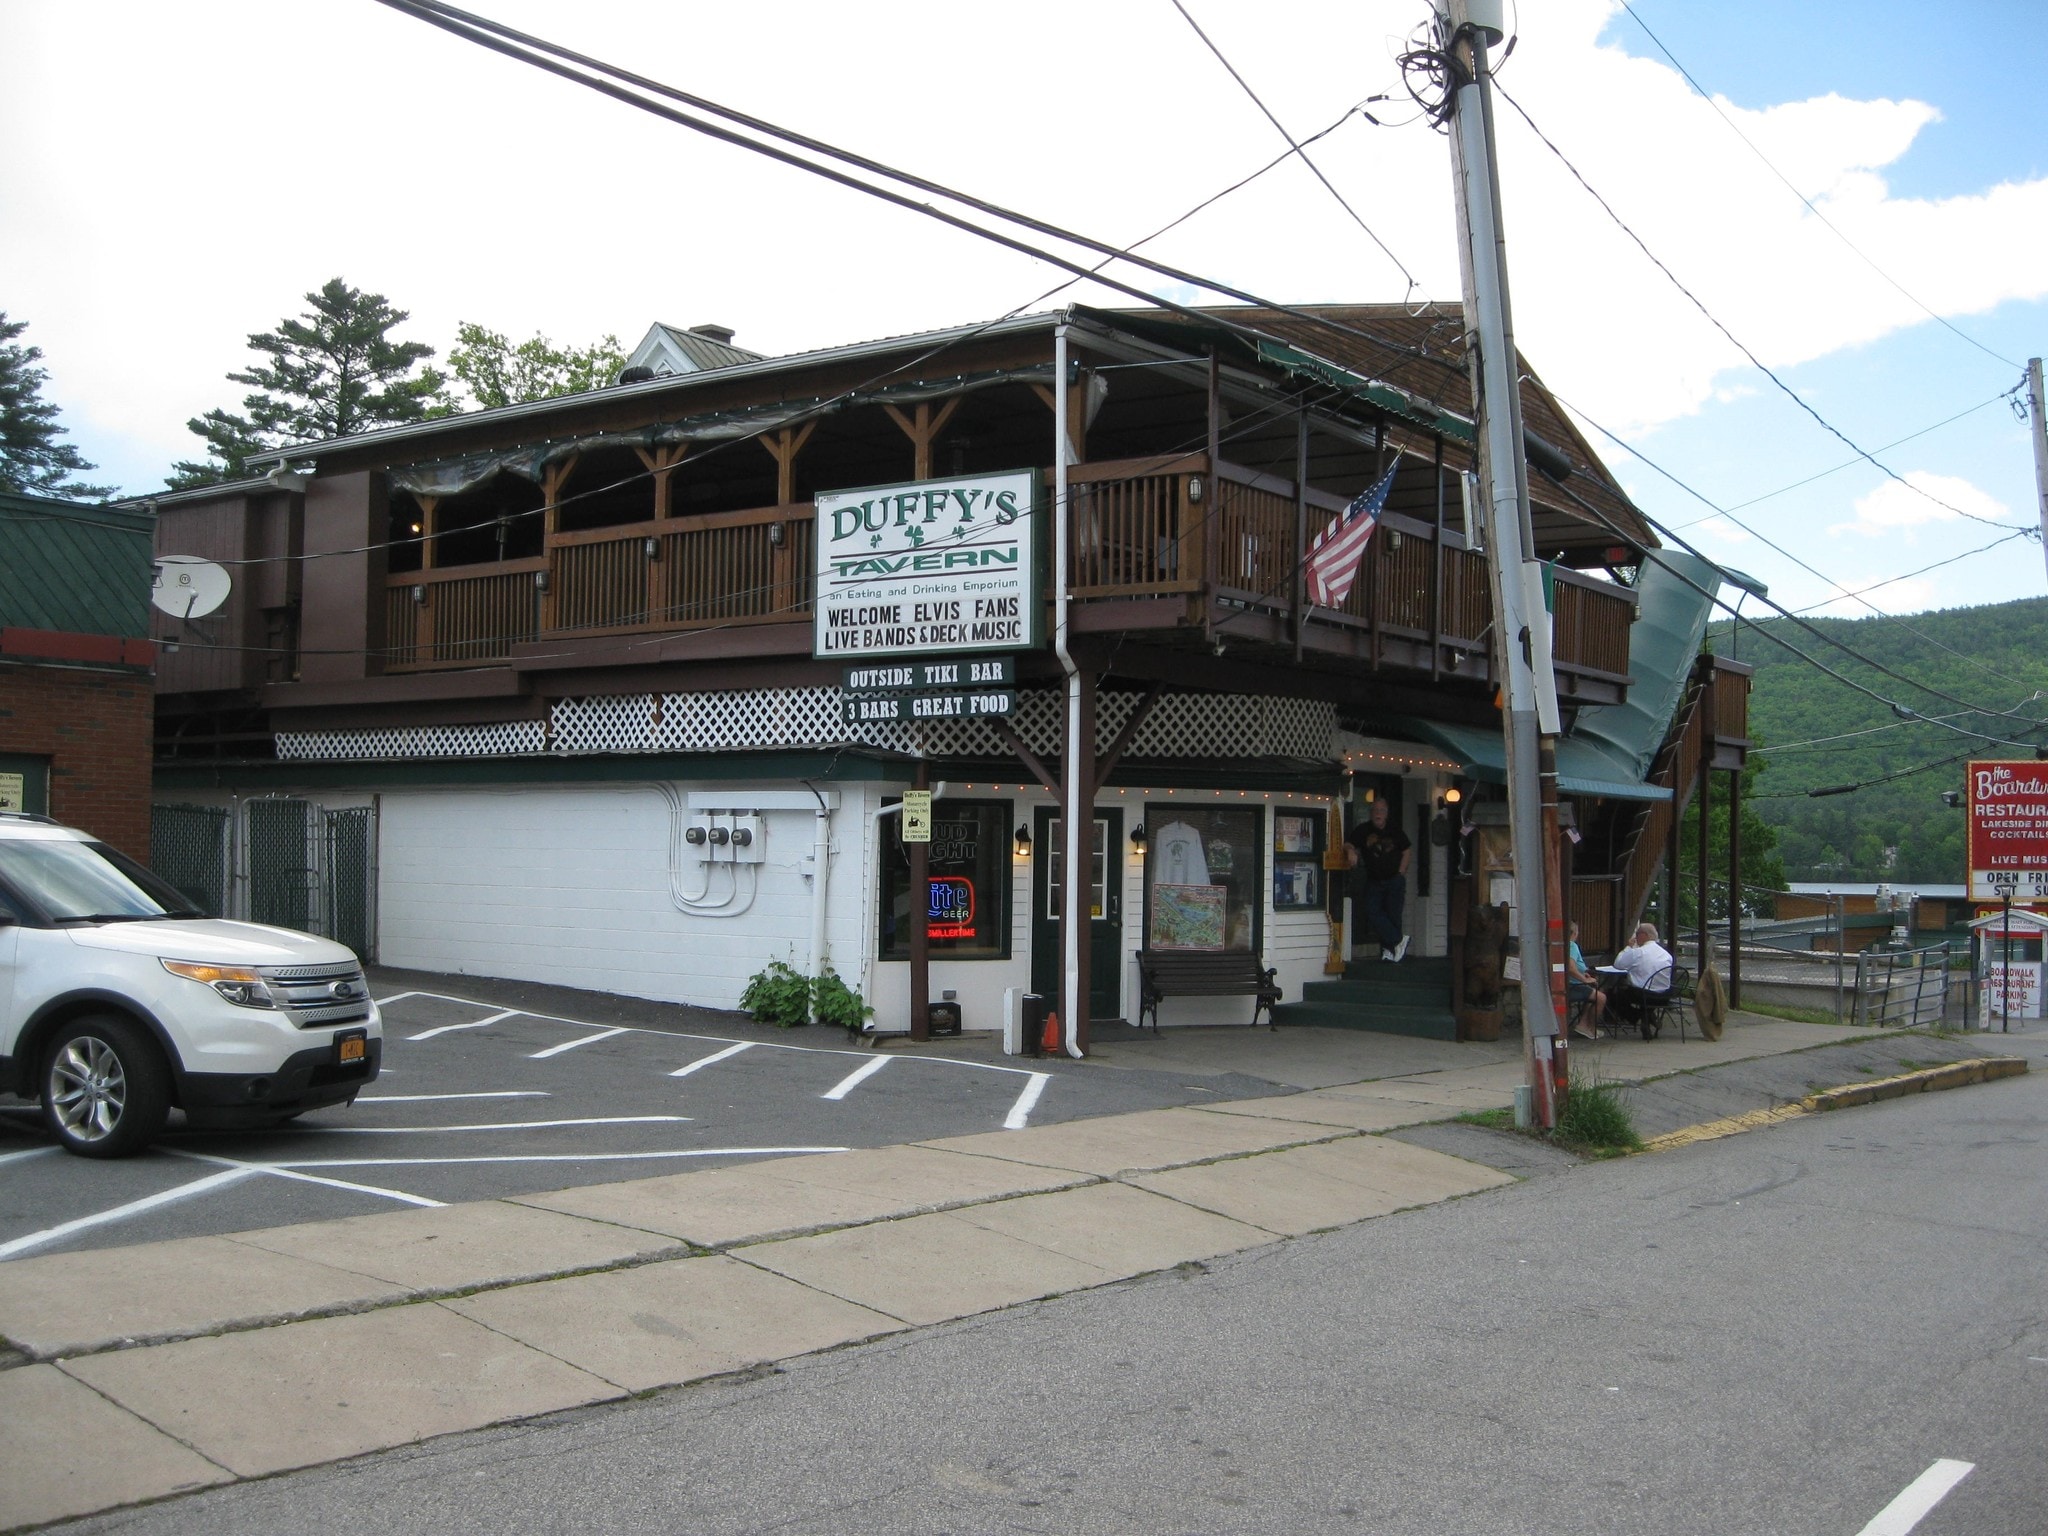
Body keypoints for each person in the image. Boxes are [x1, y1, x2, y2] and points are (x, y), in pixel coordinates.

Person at [1346, 797, 1412, 962]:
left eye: (1381, 811)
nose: (1378, 814)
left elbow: (1407, 850)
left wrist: (1401, 872)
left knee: (1393, 915)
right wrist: (1350, 851)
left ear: (1386, 813)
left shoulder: (1394, 830)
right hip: (1374, 880)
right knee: (1372, 911)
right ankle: (1398, 940)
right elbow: (1348, 843)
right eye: (1375, 810)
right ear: (1371, 813)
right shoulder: (1364, 830)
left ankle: (1390, 952)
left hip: (1394, 880)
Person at [1596, 921, 1674, 1032]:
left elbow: (1618, 964)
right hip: (1664, 995)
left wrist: (1628, 947)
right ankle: (1647, 1015)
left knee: (1613, 995)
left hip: (1643, 995)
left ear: (1644, 935)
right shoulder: (1667, 955)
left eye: (1637, 934)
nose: (1636, 937)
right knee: (1638, 987)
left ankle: (1639, 1016)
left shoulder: (1638, 952)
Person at [1565, 921, 1597, 1039]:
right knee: (1601, 997)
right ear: (1574, 933)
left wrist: (1584, 973)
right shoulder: (1572, 946)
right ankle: (1589, 1026)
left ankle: (1583, 1023)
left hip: (1571, 983)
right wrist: (1584, 979)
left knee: (1596, 990)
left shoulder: (1562, 945)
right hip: (1573, 985)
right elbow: (1571, 968)